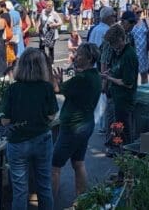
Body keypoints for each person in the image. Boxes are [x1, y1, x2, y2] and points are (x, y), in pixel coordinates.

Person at [2, 48, 58, 210]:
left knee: (20, 191)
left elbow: (5, 121)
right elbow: (52, 116)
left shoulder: (13, 89)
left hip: (18, 142)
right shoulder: (46, 88)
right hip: (42, 139)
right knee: (44, 186)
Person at [51, 43, 101, 204]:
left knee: (54, 166)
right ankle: (82, 200)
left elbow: (58, 89)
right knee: (78, 162)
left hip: (73, 126)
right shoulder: (94, 76)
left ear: (88, 59)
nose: (75, 57)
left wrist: (56, 81)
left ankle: (49, 202)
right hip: (86, 124)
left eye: (79, 55)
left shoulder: (82, 79)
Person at [102, 24, 138, 148]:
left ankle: (126, 152)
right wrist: (110, 72)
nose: (112, 47)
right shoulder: (117, 52)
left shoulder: (129, 55)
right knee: (116, 128)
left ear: (122, 39)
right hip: (116, 97)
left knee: (124, 130)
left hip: (125, 99)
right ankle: (117, 149)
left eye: (114, 43)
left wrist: (109, 78)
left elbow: (128, 83)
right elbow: (115, 68)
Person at [127, 9, 149, 84]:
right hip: (134, 52)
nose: (139, 14)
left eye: (140, 12)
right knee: (134, 75)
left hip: (143, 52)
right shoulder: (130, 24)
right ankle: (135, 92)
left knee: (144, 75)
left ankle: (144, 92)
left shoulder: (144, 22)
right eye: (137, 12)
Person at [38, 0, 63, 65]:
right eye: (47, 5)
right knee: (41, 48)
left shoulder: (54, 13)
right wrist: (38, 27)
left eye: (49, 6)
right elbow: (40, 20)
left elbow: (60, 22)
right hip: (43, 33)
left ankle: (51, 63)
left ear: (52, 7)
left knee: (50, 48)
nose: (48, 7)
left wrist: (53, 25)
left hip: (52, 34)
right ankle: (42, 61)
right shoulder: (43, 12)